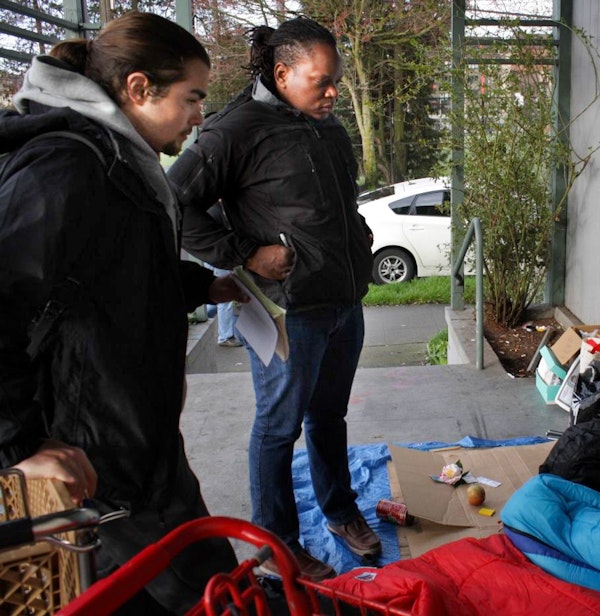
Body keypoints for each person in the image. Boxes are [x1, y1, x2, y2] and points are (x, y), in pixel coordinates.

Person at [0, 12, 248, 613]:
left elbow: (112, 269)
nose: (198, 117)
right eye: (192, 98)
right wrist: (18, 443)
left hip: (137, 434)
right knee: (188, 589)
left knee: (198, 579)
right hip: (100, 452)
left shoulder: (116, 155)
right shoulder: (69, 166)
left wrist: (197, 286)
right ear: (139, 89)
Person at [168, 16, 379, 580]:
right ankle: (275, 545)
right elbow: (174, 205)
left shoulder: (325, 124)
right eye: (322, 81)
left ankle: (338, 512)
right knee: (278, 428)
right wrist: (244, 252)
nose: (334, 91)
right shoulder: (233, 131)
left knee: (329, 415)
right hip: (287, 311)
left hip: (342, 301)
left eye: (335, 80)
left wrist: (355, 234)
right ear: (282, 73)